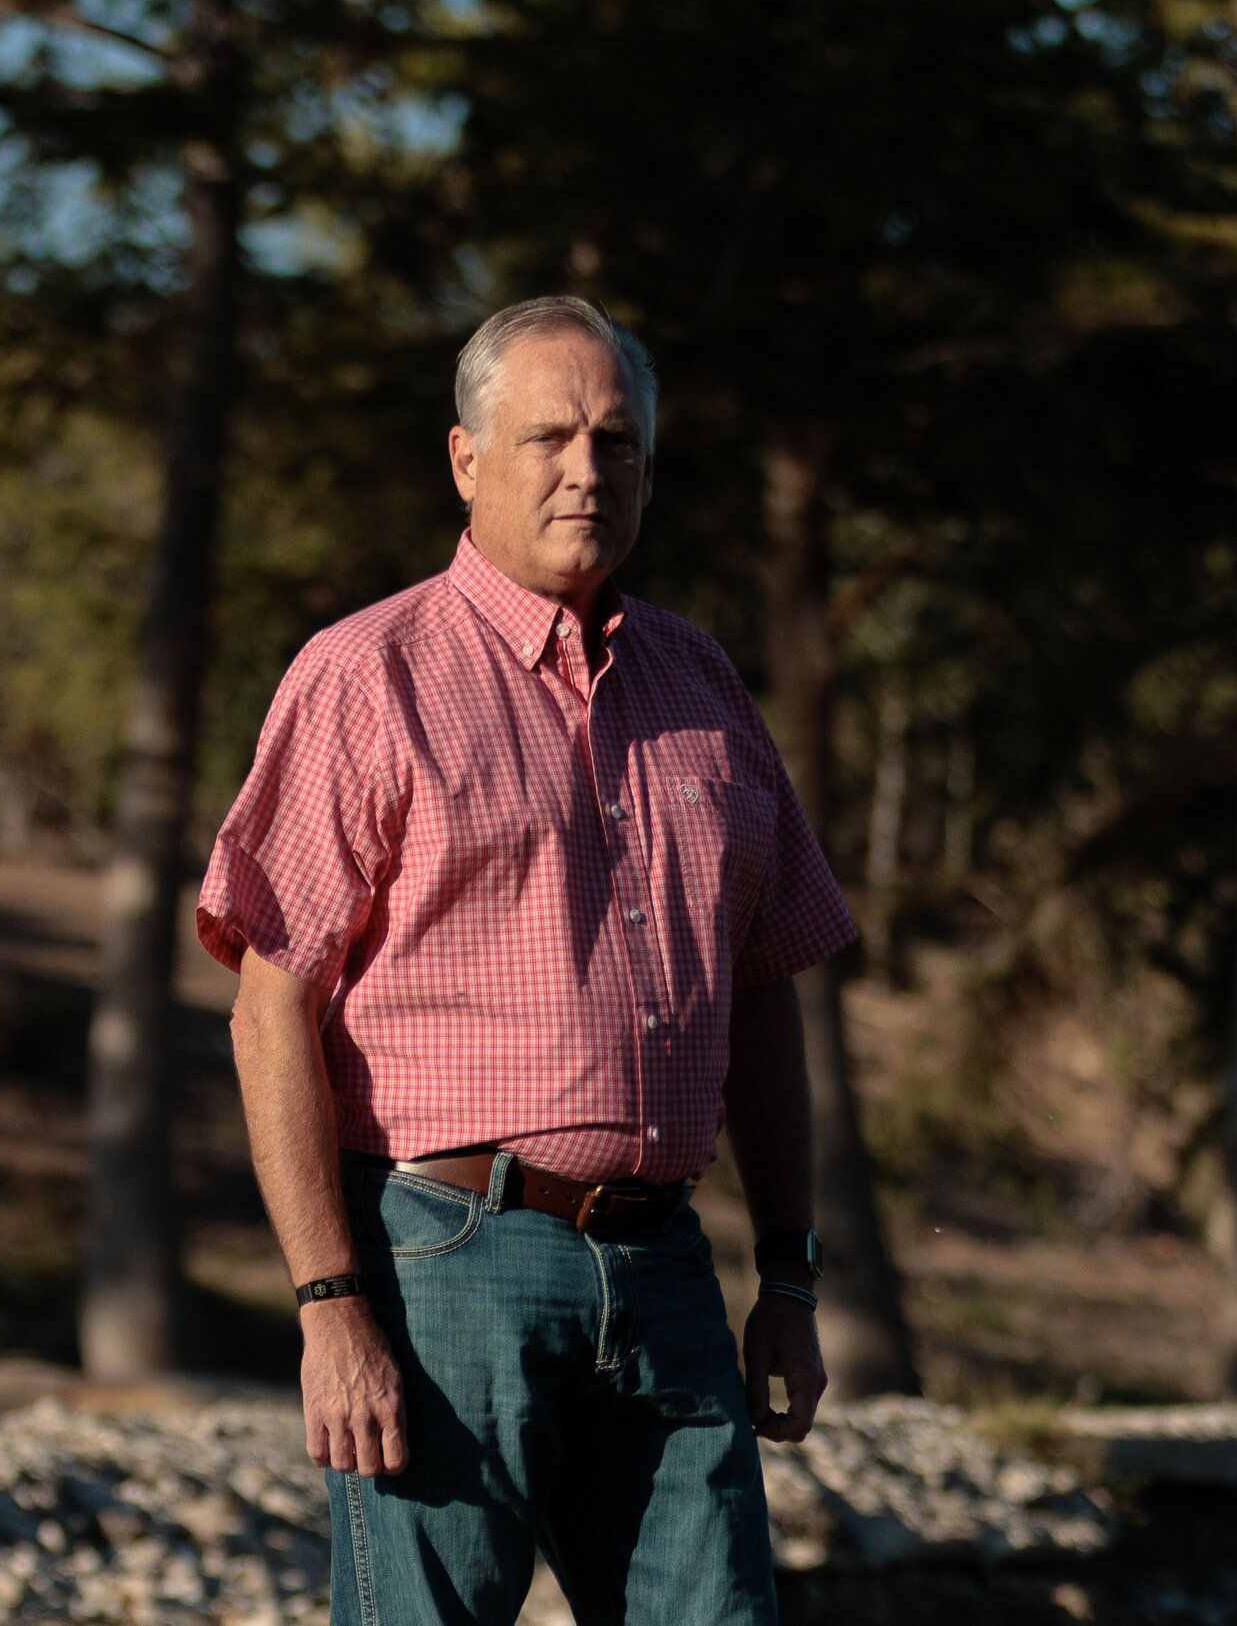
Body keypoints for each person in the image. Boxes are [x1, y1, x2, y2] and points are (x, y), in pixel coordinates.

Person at [197, 296, 859, 1626]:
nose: (585, 470)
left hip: (666, 1261)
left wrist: (786, 1271)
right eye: (548, 435)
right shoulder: (368, 676)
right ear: (466, 458)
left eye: (617, 442)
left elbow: (767, 984)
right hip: (445, 1258)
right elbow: (270, 1004)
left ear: (651, 473)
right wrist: (330, 1304)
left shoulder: (703, 683)